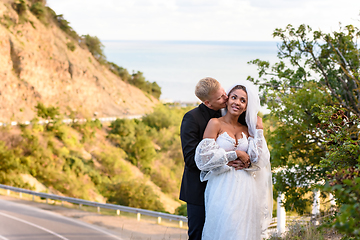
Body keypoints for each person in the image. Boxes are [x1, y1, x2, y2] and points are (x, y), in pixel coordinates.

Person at [195, 81, 273, 239]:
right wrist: (235, 153)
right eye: (234, 97)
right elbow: (203, 160)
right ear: (228, 99)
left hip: (246, 188)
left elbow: (260, 159)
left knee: (242, 232)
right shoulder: (215, 123)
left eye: (243, 100)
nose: (237, 102)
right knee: (225, 229)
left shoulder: (247, 129)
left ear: (246, 106)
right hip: (222, 187)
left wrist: (258, 130)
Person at [179, 77, 251, 240]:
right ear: (208, 103)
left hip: (227, 189)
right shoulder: (192, 118)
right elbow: (191, 159)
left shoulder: (231, 112)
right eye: (220, 98)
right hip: (198, 189)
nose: (226, 98)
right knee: (198, 234)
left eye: (224, 93)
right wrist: (228, 159)